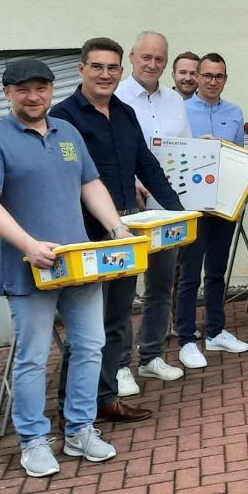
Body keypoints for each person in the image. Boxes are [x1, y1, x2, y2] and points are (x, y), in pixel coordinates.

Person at [0, 58, 129, 476]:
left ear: (52, 90)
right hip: (29, 269)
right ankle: (33, 440)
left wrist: (116, 227)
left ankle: (79, 429)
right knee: (33, 358)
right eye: (23, 89)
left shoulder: (67, 132)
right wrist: (28, 244)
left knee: (90, 347)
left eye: (41, 88)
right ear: (7, 93)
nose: (33, 96)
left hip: (79, 265)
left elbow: (90, 184)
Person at [51, 37, 184, 425]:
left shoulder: (125, 114)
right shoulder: (63, 117)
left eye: (112, 68)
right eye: (97, 66)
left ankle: (106, 398)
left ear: (120, 71)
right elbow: (62, 179)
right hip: (85, 233)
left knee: (116, 316)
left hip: (125, 232)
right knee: (85, 324)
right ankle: (70, 409)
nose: (105, 74)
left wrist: (178, 212)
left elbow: (147, 165)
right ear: (81, 69)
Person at [115, 31, 190, 391]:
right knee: (122, 290)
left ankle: (151, 356)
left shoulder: (175, 100)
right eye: (146, 57)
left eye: (159, 59)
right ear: (132, 56)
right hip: (127, 209)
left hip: (165, 208)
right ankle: (118, 365)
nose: (152, 64)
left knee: (160, 285)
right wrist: (132, 180)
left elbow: (185, 150)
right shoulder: (115, 96)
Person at [176, 52, 248, 368]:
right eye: (207, 75)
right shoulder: (180, 110)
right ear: (197, 76)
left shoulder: (234, 112)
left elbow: (241, 155)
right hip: (192, 203)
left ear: (225, 79)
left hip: (224, 202)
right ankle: (186, 338)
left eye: (218, 76)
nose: (212, 81)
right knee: (189, 274)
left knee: (217, 270)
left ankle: (216, 331)